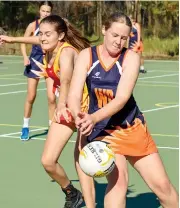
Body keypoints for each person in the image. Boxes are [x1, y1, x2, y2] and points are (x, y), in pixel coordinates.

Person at [67, 12, 179, 208]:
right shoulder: (87, 55)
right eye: (115, 35)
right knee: (118, 182)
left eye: (124, 38)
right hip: (104, 131)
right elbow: (74, 94)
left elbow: (121, 98)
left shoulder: (131, 58)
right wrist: (79, 115)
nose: (119, 42)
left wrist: (92, 118)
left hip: (131, 127)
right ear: (104, 30)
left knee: (163, 188)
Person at [0, 14, 90, 207]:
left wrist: (60, 105)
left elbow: (65, 80)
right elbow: (35, 38)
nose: (42, 37)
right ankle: (72, 193)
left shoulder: (66, 52)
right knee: (48, 161)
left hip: (85, 111)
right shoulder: (47, 47)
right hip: (66, 110)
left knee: (85, 162)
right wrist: (12, 39)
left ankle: (93, 203)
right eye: (41, 33)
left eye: (48, 34)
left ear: (61, 36)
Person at [20, 1, 54, 140]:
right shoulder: (33, 25)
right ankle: (25, 127)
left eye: (48, 11)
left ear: (51, 12)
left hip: (49, 61)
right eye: (43, 10)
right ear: (39, 11)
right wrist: (24, 57)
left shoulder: (54, 26)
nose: (45, 13)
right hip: (34, 61)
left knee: (51, 98)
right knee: (31, 96)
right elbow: (23, 40)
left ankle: (52, 128)